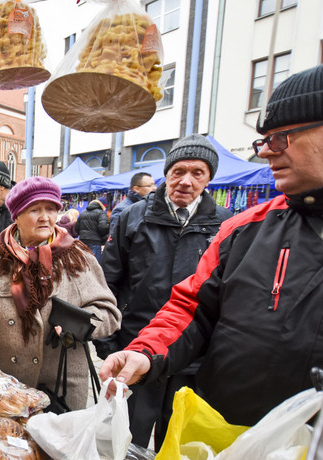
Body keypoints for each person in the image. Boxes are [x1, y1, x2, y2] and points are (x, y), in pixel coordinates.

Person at [99, 64, 323, 429]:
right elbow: (192, 306)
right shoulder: (243, 229)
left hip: (304, 458)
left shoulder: (222, 220)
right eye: (264, 140)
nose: (267, 152)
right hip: (221, 437)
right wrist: (142, 350)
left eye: (282, 137)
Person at [100, 134, 232, 449]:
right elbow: (108, 281)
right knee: (126, 441)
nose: (186, 181)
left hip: (193, 357)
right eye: (178, 171)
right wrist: (108, 343)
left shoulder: (226, 225)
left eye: (197, 173)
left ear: (209, 178)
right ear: (167, 173)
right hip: (136, 346)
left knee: (178, 445)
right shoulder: (133, 217)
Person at [0, 177, 121, 411]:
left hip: (60, 390)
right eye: (35, 209)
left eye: (51, 209)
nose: (45, 217)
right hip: (2, 387)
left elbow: (109, 313)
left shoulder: (77, 258)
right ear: (17, 216)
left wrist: (79, 324)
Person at [76, 196, 109, 262]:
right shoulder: (101, 213)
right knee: (95, 265)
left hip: (83, 240)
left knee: (84, 263)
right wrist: (104, 236)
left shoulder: (82, 213)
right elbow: (103, 227)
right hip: (95, 242)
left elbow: (76, 228)